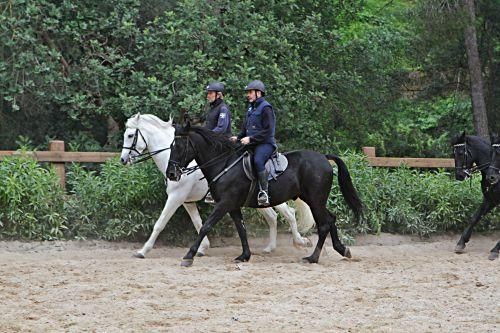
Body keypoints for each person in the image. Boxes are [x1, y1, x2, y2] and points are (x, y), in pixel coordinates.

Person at [230, 80, 276, 206]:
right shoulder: (251, 108)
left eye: (250, 92)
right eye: (248, 93)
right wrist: (238, 138)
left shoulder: (266, 108)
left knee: (258, 161)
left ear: (259, 93)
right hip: (252, 143)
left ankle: (263, 192)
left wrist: (251, 139)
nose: (248, 95)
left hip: (265, 144)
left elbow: (268, 131)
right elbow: (245, 129)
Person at [204, 82, 231, 204]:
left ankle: (213, 190)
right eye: (208, 93)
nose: (208, 96)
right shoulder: (212, 109)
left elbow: (221, 128)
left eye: (210, 93)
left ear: (218, 95)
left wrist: (206, 137)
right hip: (212, 141)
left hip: (221, 143)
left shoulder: (223, 108)